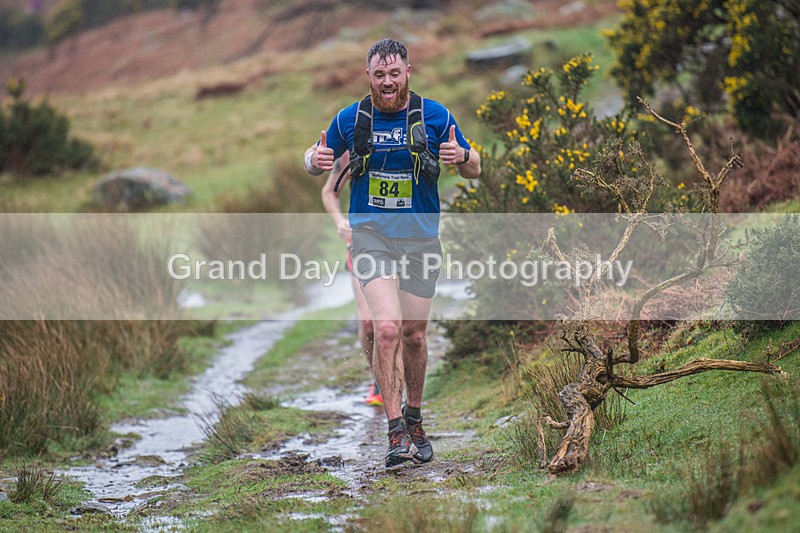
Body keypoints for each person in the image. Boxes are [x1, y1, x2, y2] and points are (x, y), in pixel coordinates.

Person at [304, 38, 481, 468]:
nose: (387, 81)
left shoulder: (435, 115)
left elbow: (475, 168)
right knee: (385, 328)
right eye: (379, 74)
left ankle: (416, 418)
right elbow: (314, 159)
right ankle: (396, 432)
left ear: (407, 72)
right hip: (371, 238)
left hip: (420, 239)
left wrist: (465, 156)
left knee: (414, 334)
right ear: (369, 76)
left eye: (394, 73)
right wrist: (313, 158)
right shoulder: (352, 118)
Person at [321, 152, 383, 407]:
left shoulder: (409, 131)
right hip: (362, 244)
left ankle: (401, 375)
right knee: (369, 322)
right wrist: (340, 222)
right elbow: (329, 192)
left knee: (399, 323)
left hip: (405, 241)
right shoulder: (352, 146)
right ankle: (379, 380)